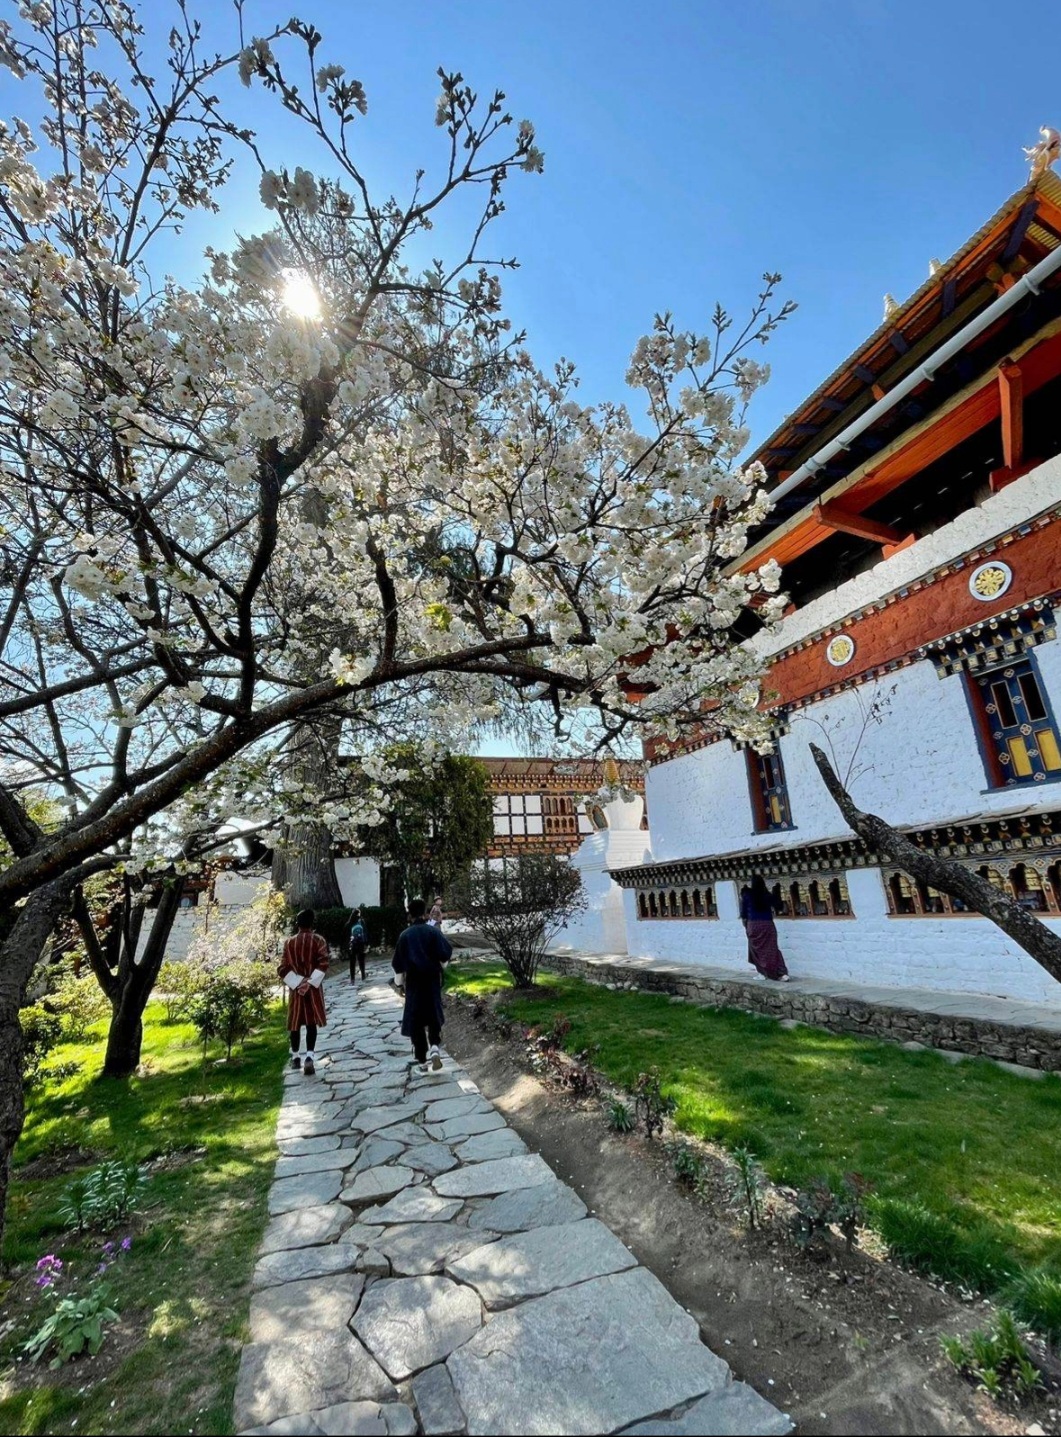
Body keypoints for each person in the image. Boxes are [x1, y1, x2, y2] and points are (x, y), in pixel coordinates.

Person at [392, 897, 452, 1072]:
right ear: (425, 913)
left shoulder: (405, 936)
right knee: (433, 1013)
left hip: (414, 982)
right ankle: (434, 1047)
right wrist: (441, 968)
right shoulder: (433, 932)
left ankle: (422, 1060)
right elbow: (445, 954)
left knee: (416, 1018)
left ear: (410, 915)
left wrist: (399, 984)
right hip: (432, 979)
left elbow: (398, 964)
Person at [278, 909, 329, 1076]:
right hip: (313, 988)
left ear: (297, 923)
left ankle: (295, 1056)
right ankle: (309, 1056)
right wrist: (309, 982)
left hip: (295, 989)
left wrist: (297, 983)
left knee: (295, 1022)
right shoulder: (319, 940)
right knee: (311, 1022)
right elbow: (323, 963)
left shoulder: (289, 943)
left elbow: (283, 968)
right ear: (312, 922)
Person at [740, 874, 790, 982]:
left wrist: (746, 925)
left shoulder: (747, 895)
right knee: (772, 949)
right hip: (767, 924)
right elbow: (779, 906)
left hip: (753, 925)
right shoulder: (766, 895)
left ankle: (762, 973)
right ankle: (781, 973)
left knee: (755, 950)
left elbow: (743, 913)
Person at [349, 907, 367, 984]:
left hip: (352, 944)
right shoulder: (361, 922)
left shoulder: (349, 923)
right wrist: (366, 942)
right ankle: (363, 975)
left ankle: (352, 979)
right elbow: (365, 932)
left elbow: (346, 934)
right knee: (361, 960)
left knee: (352, 962)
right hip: (360, 943)